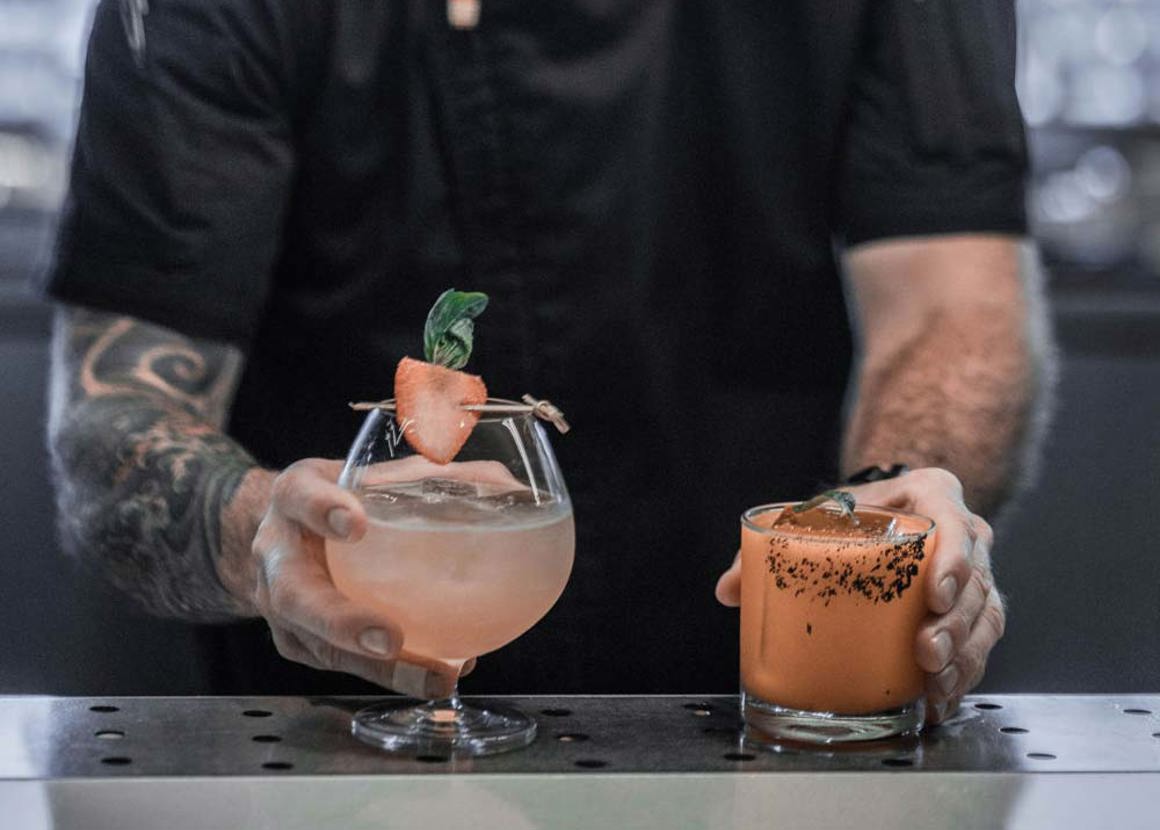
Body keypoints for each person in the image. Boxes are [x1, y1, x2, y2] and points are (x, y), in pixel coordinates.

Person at [44, 0, 1049, 722]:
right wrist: (252, 528)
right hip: (330, 723)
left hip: (765, 697)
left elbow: (953, 304)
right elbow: (112, 413)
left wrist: (883, 508)